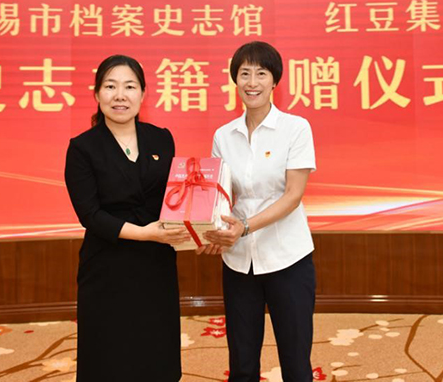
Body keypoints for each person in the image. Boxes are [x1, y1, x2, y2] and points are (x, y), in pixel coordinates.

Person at [64, 54, 190, 382]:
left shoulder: (161, 138)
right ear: (97, 94)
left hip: (155, 265)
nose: (120, 95)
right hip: (107, 265)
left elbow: (174, 198)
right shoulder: (82, 148)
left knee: (155, 351)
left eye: (130, 87)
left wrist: (200, 224)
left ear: (143, 94)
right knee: (109, 356)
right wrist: (146, 233)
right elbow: (90, 215)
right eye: (110, 86)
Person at [202, 41, 317, 382]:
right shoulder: (224, 135)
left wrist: (246, 226)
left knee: (295, 363)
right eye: (245, 74)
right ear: (235, 80)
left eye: (261, 74)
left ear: (274, 81)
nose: (252, 82)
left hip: (288, 259)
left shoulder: (296, 128)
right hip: (239, 262)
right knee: (242, 363)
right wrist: (208, 231)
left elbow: (293, 196)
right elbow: (220, 196)